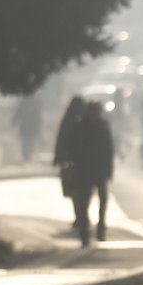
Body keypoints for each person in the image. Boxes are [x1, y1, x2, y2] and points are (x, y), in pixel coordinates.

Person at [63, 100, 114, 245]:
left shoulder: (103, 126)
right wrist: (76, 160)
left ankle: (100, 229)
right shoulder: (80, 126)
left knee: (102, 200)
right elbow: (69, 145)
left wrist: (109, 169)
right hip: (84, 171)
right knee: (84, 202)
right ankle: (85, 232)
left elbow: (109, 149)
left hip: (99, 170)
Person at [53, 96, 86, 232]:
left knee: (75, 191)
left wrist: (59, 158)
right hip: (80, 163)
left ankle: (79, 216)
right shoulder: (85, 122)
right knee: (81, 191)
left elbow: (61, 139)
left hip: (71, 162)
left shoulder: (68, 121)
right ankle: (81, 215)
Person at [12, 93, 43, 164]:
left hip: (26, 126)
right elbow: (38, 117)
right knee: (28, 140)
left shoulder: (24, 103)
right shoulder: (35, 103)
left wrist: (14, 121)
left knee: (27, 141)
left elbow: (18, 113)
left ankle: (26, 155)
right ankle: (27, 155)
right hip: (30, 126)